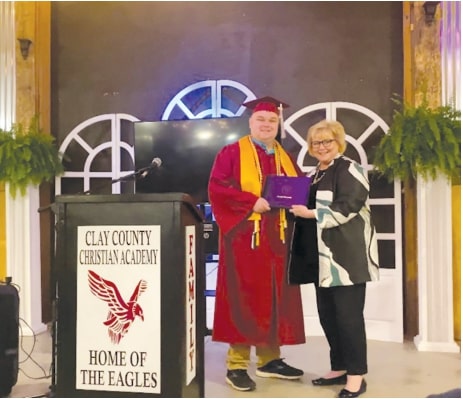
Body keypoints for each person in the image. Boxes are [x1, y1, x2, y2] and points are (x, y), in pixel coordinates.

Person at [208, 96, 305, 392]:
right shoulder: (232, 152)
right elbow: (217, 188)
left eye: (272, 121)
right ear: (250, 122)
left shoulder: (283, 155)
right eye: (261, 120)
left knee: (276, 298)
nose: (266, 124)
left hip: (277, 239)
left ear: (278, 124)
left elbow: (297, 187)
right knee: (244, 298)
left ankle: (269, 359)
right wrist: (252, 202)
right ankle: (236, 364)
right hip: (245, 239)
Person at [289, 119, 380, 398]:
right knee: (329, 316)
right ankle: (339, 367)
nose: (322, 147)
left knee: (349, 318)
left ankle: (356, 376)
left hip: (346, 259)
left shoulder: (349, 168)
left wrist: (311, 213)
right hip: (321, 260)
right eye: (316, 142)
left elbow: (348, 206)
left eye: (327, 141)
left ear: (338, 142)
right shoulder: (315, 173)